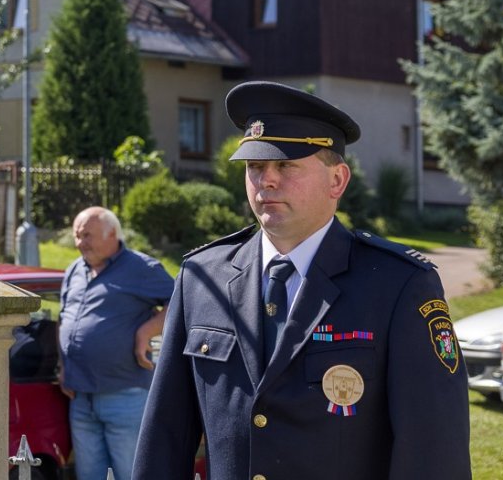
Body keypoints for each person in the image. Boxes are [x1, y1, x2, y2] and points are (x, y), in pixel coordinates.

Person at [133, 82, 472, 480]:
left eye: (286, 165)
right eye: (255, 167)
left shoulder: (398, 284)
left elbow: (433, 449)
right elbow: (165, 435)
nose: (266, 180)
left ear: (337, 181)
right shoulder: (202, 277)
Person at [56, 205, 172, 480]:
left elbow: (182, 302)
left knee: (131, 474)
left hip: (125, 395)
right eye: (77, 235)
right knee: (90, 475)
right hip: (80, 396)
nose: (80, 243)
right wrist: (63, 366)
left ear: (112, 234)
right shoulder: (74, 270)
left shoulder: (141, 268)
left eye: (87, 235)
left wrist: (146, 331)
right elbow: (63, 319)